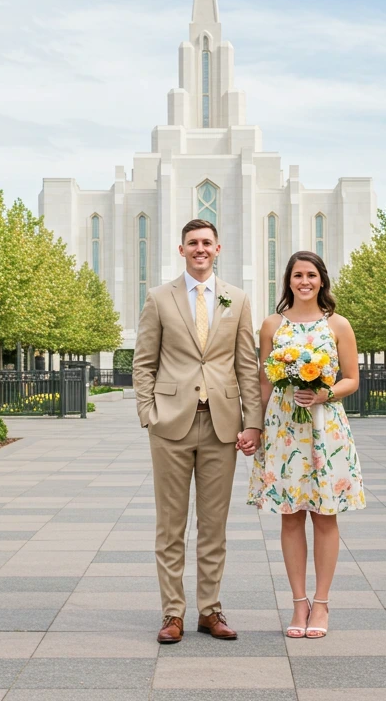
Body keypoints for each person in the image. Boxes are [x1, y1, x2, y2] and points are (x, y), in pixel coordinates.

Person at [133, 219, 262, 644]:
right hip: (170, 424)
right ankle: (173, 613)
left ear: (218, 248)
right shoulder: (158, 298)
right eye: (193, 243)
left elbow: (247, 366)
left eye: (207, 242)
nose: (200, 249)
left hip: (221, 426)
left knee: (214, 525)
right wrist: (148, 413)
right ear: (181, 249)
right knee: (171, 525)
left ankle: (210, 610)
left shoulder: (237, 299)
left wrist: (253, 422)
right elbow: (144, 362)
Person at [248, 251, 365, 639]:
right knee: (291, 514)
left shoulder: (338, 324)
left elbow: (352, 379)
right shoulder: (271, 326)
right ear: (288, 281)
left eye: (311, 275)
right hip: (284, 430)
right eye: (297, 275)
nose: (304, 281)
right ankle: (299, 603)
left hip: (324, 428)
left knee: (325, 516)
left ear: (321, 280)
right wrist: (256, 428)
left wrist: (324, 394)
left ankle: (323, 603)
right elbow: (264, 381)